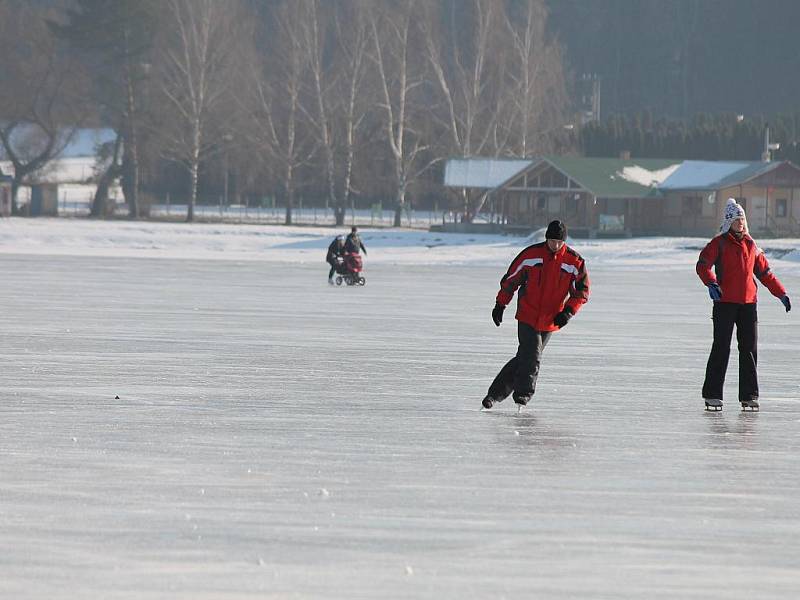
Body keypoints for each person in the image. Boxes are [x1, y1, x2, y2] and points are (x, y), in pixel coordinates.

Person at [482, 220, 590, 410]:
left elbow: (581, 292)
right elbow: (510, 280)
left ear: (564, 241)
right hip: (527, 314)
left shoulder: (574, 262)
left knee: (524, 358)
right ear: (546, 238)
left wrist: (567, 312)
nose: (555, 245)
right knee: (532, 355)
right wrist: (500, 304)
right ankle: (523, 394)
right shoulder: (531, 255)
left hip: (551, 320)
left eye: (559, 242)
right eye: (551, 240)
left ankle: (493, 395)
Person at [696, 198, 791, 411]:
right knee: (721, 347)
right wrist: (711, 283)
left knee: (748, 350)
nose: (741, 223)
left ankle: (749, 396)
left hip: (748, 304)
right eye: (737, 219)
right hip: (724, 303)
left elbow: (765, 274)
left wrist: (781, 293)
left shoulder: (751, 245)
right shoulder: (718, 243)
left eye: (742, 219)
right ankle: (712, 395)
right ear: (729, 221)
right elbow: (703, 265)